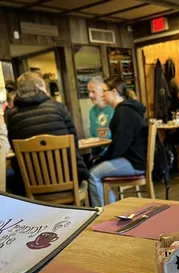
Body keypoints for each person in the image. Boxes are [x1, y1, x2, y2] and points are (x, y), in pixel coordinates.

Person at [7, 72, 89, 192]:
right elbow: (73, 141)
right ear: (40, 87)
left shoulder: (12, 115)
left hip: (31, 182)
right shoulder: (58, 107)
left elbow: (13, 146)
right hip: (69, 178)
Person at [88, 76, 147, 207]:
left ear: (114, 92)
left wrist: (101, 158)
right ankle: (110, 207)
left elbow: (119, 146)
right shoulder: (127, 109)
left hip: (134, 162)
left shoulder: (123, 112)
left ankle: (102, 212)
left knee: (92, 174)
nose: (102, 94)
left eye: (104, 91)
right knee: (97, 168)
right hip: (137, 159)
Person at [87, 77, 114, 157]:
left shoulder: (113, 109)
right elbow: (93, 136)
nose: (90, 95)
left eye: (93, 92)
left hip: (113, 152)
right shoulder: (92, 111)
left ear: (103, 92)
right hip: (99, 153)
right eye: (88, 92)